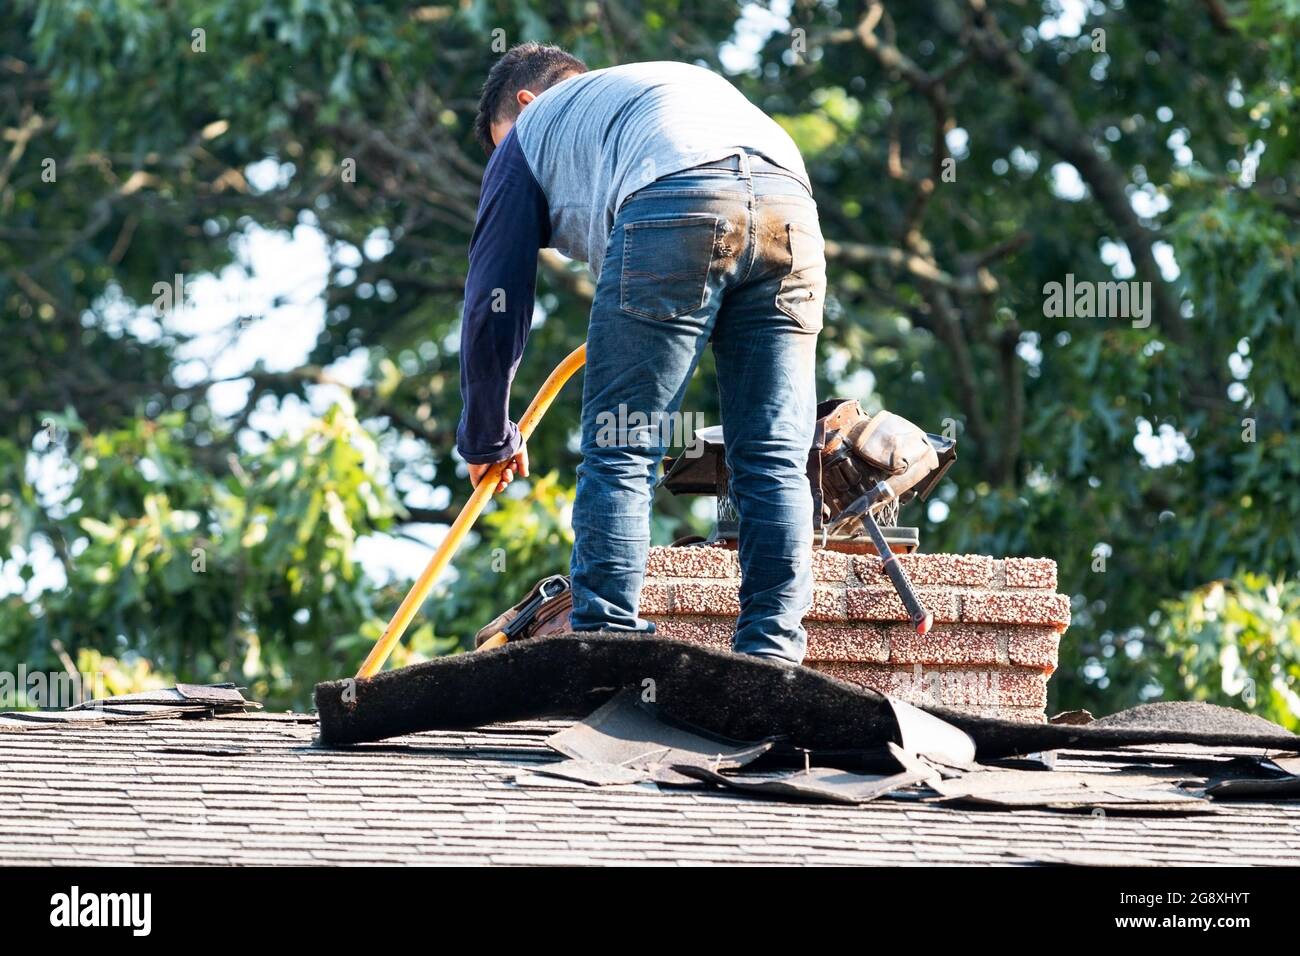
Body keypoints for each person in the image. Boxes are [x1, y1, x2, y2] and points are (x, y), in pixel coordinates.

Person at [457, 43, 825, 664]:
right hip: (793, 210)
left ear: (525, 102)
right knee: (773, 457)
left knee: (622, 443)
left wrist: (487, 435)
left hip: (677, 199)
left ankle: (606, 645)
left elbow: (495, 295)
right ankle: (772, 654)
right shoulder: (646, 91)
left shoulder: (531, 130)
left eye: (498, 145)